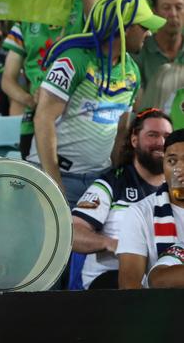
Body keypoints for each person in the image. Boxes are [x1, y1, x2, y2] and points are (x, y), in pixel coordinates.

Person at [31, 0, 165, 208]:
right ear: (124, 28)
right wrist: (54, 184)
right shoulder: (74, 60)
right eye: (144, 26)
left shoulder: (132, 71)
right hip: (57, 176)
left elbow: (121, 129)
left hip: (100, 180)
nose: (149, 33)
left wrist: (113, 176)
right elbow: (43, 119)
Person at [72, 109, 172, 289]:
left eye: (167, 136)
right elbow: (72, 233)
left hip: (163, 280)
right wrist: (111, 244)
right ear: (134, 140)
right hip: (111, 280)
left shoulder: (177, 188)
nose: (161, 143)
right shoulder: (111, 183)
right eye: (152, 135)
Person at [1, 0, 99, 157]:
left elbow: (98, 16)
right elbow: (7, 79)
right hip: (33, 121)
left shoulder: (79, 7)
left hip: (77, 118)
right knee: (36, 182)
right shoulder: (25, 19)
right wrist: (29, 99)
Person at [117, 128, 184, 288]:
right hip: (160, 306)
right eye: (172, 161)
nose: (179, 170)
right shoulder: (139, 213)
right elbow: (129, 285)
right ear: (163, 165)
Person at [134, 0, 184, 90]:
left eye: (179, 7)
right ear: (154, 12)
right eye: (166, 8)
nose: (173, 14)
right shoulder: (139, 52)